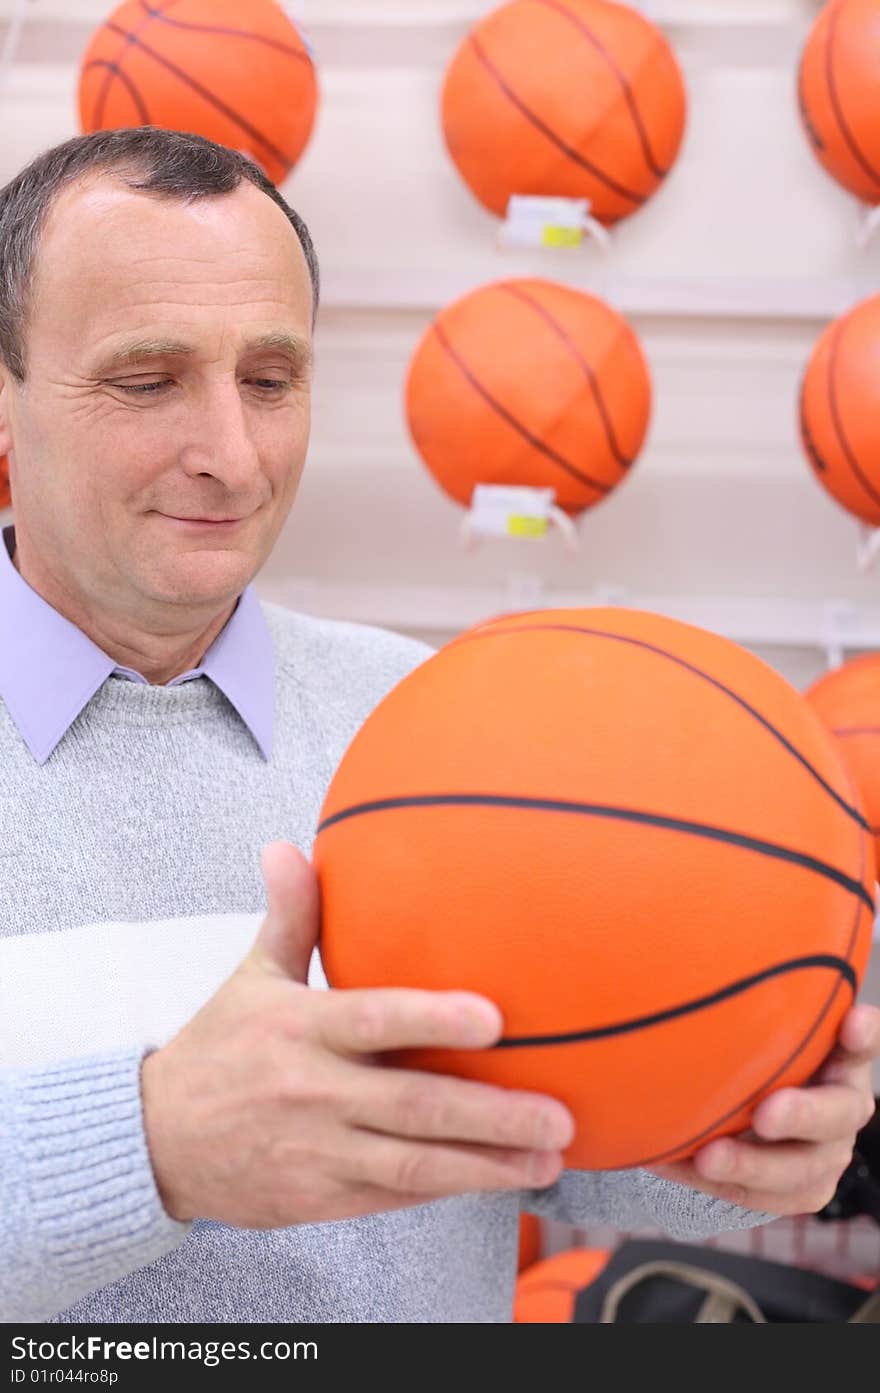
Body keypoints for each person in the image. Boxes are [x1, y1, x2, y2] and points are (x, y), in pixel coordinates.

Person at [0, 128, 876, 1326]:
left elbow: (560, 1128)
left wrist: (742, 1138)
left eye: (270, 378)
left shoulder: (434, 722)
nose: (231, 453)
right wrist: (148, 1152)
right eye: (146, 380)